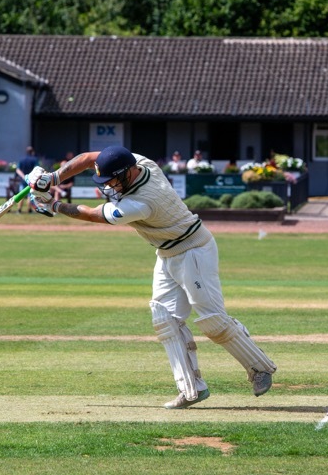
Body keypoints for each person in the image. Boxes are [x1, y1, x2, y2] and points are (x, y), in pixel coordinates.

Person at [25, 146, 277, 409]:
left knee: (212, 321)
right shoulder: (141, 163)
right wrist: (52, 178)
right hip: (166, 251)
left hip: (193, 251)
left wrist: (52, 204)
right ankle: (191, 390)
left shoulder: (141, 203)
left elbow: (92, 213)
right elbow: (91, 158)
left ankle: (259, 368)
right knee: (165, 319)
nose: (108, 185)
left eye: (112, 180)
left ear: (126, 173)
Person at [15, 146, 40, 213]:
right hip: (31, 180)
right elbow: (37, 169)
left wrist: (23, 176)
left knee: (21, 195)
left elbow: (17, 169)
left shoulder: (22, 159)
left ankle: (19, 210)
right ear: (32, 152)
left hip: (23, 180)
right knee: (30, 195)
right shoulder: (34, 159)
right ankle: (29, 209)